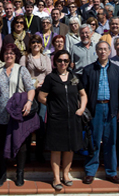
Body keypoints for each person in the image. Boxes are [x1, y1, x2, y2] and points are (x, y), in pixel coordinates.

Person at [38, 50, 87, 191]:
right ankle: (56, 178)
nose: (63, 63)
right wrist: (53, 106)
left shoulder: (74, 77)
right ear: (55, 62)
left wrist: (81, 108)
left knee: (69, 148)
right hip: (56, 118)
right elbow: (41, 97)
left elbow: (82, 94)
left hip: (72, 118)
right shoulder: (51, 78)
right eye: (60, 60)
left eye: (66, 61)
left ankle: (66, 175)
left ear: (69, 62)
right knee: (56, 148)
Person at [0, 44, 36, 187]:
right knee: (1, 143)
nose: (8, 55)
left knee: (20, 143)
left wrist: (29, 102)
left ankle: (20, 173)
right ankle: (2, 173)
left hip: (17, 113)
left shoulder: (21, 70)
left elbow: (30, 88)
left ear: (16, 55)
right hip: (1, 113)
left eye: (11, 53)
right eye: (6, 53)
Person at [81, 41, 119, 185]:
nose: (103, 52)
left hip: (111, 108)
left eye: (105, 49)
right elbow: (84, 92)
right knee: (94, 141)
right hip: (96, 109)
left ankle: (111, 172)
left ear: (110, 51)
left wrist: (118, 110)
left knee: (110, 141)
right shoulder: (88, 70)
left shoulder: (116, 70)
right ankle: (90, 171)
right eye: (100, 49)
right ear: (96, 51)